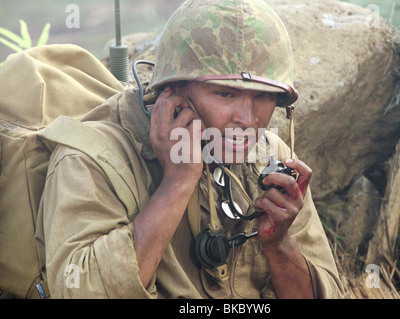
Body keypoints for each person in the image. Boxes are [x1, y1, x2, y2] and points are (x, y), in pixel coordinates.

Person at [36, 0, 344, 299]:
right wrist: (178, 182)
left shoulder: (269, 158)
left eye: (263, 97)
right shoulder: (91, 158)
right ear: (173, 92)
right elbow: (80, 292)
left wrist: (279, 245)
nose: (248, 120)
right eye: (226, 93)